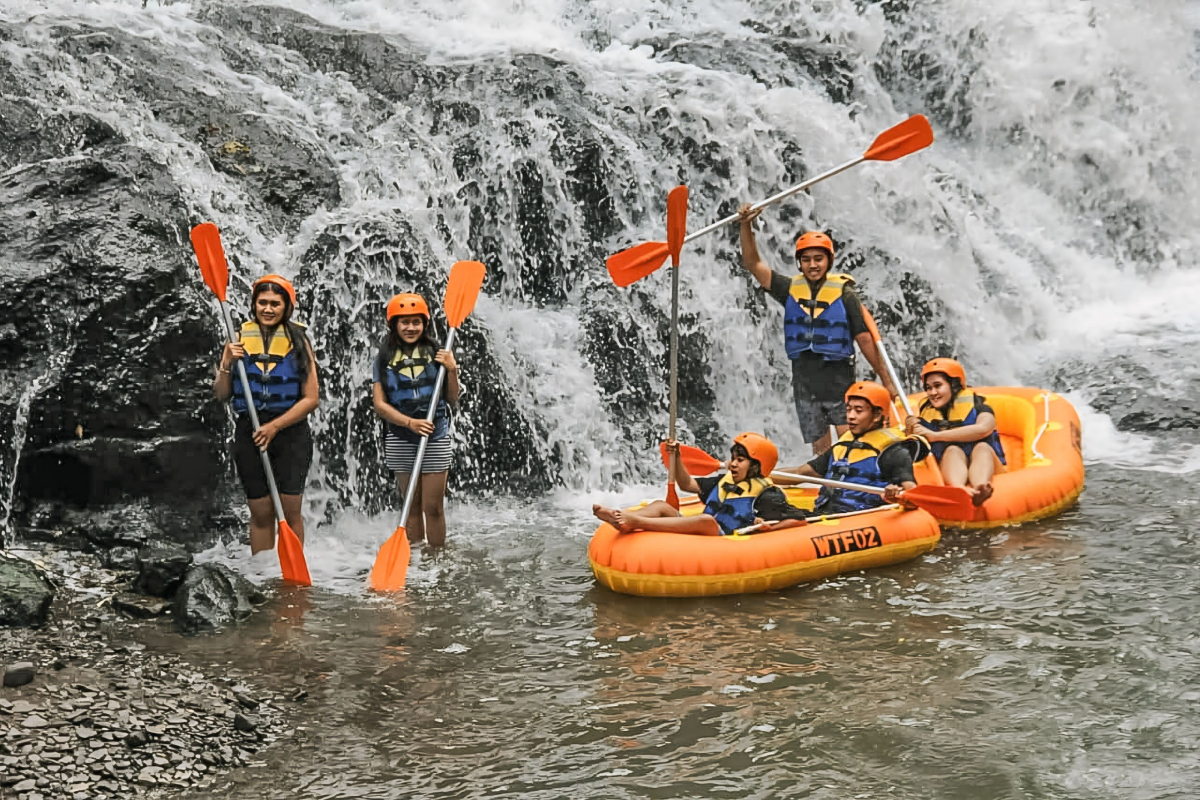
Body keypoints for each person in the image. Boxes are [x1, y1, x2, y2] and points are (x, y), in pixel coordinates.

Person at [737, 206, 897, 454]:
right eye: (806, 259)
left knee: (849, 446)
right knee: (821, 452)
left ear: (829, 261)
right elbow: (753, 263)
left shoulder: (845, 295)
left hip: (839, 382)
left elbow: (865, 339)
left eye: (818, 259)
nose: (813, 265)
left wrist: (887, 381)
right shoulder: (789, 288)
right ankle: (827, 489)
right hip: (805, 383)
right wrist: (745, 225)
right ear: (799, 263)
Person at [213, 274, 320, 554]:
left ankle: (293, 578)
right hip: (249, 432)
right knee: (260, 514)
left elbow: (311, 398)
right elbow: (222, 395)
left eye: (275, 303)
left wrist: (274, 428)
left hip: (290, 433)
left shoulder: (299, 342)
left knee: (289, 512)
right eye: (263, 303)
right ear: (254, 305)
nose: (268, 309)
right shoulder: (237, 340)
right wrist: (226, 363)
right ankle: (262, 576)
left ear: (286, 307)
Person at [372, 293, 460, 548]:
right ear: (394, 325)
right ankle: (416, 556)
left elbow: (452, 399)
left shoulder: (439, 355)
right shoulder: (383, 359)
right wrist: (410, 423)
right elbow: (379, 404)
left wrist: (452, 369)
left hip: (435, 436)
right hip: (401, 437)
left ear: (424, 324)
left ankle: (436, 557)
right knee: (411, 505)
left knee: (433, 507)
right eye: (404, 322)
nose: (411, 327)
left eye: (416, 322)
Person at [592, 433, 803, 535]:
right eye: (734, 459)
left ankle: (635, 522)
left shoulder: (768, 495)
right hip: (707, 532)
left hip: (725, 538)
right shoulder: (723, 481)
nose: (733, 464)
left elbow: (798, 520)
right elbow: (687, 484)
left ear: (757, 465)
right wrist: (677, 458)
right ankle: (621, 518)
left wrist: (766, 528)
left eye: (741, 460)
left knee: (707, 521)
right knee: (661, 506)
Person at [777, 381, 919, 514]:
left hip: (862, 516)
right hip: (827, 512)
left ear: (876, 415)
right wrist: (762, 476)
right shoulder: (842, 446)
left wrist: (895, 494)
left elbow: (912, 496)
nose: (850, 416)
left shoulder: (894, 452)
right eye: (849, 409)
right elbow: (801, 473)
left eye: (858, 411)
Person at [905, 358, 1005, 507]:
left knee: (982, 448)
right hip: (953, 467)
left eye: (938, 386)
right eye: (928, 388)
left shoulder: (979, 405)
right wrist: (910, 429)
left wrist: (937, 436)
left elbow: (983, 429)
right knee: (952, 450)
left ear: (954, 384)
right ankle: (959, 490)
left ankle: (980, 487)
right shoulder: (926, 412)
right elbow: (915, 450)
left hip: (987, 463)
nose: (932, 393)